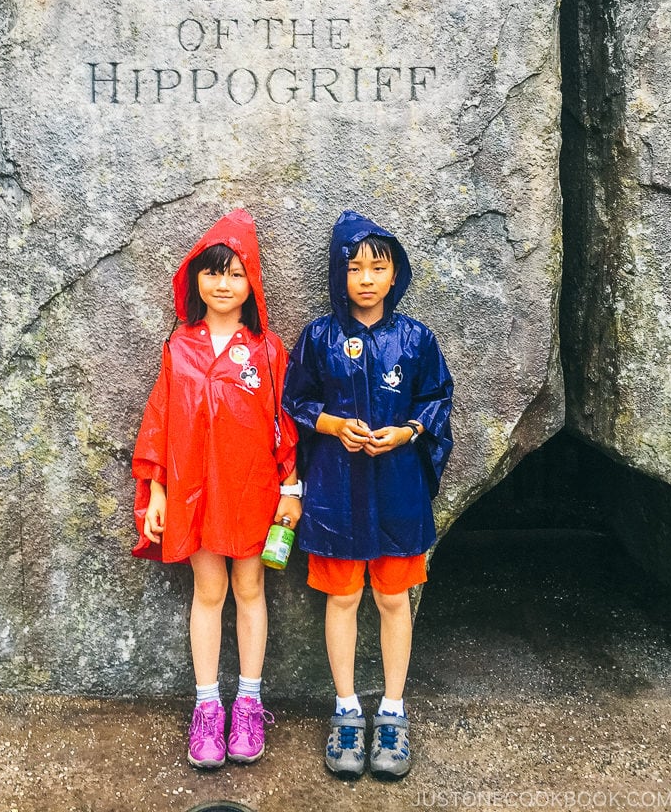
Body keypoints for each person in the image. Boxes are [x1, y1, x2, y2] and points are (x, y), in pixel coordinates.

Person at [282, 209, 453, 779]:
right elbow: (293, 402)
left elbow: (436, 396)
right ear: (339, 273)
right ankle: (347, 709)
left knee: (392, 598)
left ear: (395, 273)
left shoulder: (416, 337)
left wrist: (408, 430)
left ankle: (395, 711)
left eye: (378, 267)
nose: (365, 278)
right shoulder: (318, 336)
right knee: (342, 599)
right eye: (353, 267)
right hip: (334, 491)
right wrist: (331, 425)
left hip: (398, 490)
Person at [131, 208, 302, 770]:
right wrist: (154, 491)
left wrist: (290, 488)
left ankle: (248, 702)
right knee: (208, 592)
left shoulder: (268, 350)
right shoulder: (179, 347)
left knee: (250, 588)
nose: (223, 284)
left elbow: (284, 423)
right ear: (194, 279)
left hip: (251, 490)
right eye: (212, 272)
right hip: (194, 493)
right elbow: (160, 420)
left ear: (251, 281)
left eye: (234, 273)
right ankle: (208, 707)